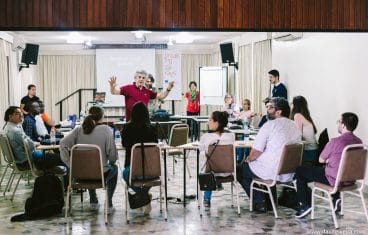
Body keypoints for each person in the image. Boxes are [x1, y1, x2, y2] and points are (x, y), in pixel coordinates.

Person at [237, 97, 301, 213]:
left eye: (270, 108)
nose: (267, 110)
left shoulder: (269, 125)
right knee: (265, 163)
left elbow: (255, 152)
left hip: (271, 171)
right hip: (289, 173)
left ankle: (259, 202)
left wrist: (248, 159)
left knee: (241, 169)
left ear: (278, 112)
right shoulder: (294, 125)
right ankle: (270, 201)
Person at [294, 112, 362, 219]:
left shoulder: (335, 141)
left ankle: (304, 205)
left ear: (343, 125)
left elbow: (321, 160)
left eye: (339, 122)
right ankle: (336, 199)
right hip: (350, 180)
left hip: (334, 180)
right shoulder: (359, 142)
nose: (338, 124)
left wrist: (329, 160)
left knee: (300, 171)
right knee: (333, 168)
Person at [60, 106, 118, 213]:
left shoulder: (78, 130)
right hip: (100, 175)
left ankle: (93, 201)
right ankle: (109, 204)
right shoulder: (106, 130)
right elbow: (113, 157)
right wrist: (111, 161)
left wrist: (70, 164)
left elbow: (62, 143)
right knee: (114, 168)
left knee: (88, 166)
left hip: (80, 174)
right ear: (102, 117)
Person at [121, 102, 158, 214]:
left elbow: (124, 144)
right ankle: (145, 197)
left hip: (132, 170)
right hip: (152, 171)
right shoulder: (152, 128)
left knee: (125, 174)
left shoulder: (127, 127)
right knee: (150, 179)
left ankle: (144, 198)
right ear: (146, 113)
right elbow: (155, 145)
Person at [3, 106, 64, 171]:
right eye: (17, 113)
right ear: (10, 116)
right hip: (28, 162)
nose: (21, 115)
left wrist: (34, 143)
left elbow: (27, 142)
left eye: (21, 113)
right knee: (63, 157)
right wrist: (36, 144)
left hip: (20, 160)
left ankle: (52, 175)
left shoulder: (7, 128)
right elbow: (30, 146)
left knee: (54, 155)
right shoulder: (15, 131)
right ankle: (67, 179)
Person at [198, 111, 235, 207]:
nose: (207, 122)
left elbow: (199, 149)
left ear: (216, 123)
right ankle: (218, 184)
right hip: (228, 172)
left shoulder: (206, 137)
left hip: (212, 173)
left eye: (210, 119)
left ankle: (206, 198)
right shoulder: (231, 136)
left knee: (207, 166)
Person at [108, 70, 174, 121]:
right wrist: (112, 87)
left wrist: (169, 89)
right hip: (130, 122)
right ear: (135, 78)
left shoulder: (147, 91)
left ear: (145, 80)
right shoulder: (128, 88)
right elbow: (114, 92)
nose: (141, 79)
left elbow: (161, 96)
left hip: (144, 122)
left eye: (143, 78)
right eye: (139, 77)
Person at [290, 96, 318, 165]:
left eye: (292, 103)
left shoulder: (297, 116)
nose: (290, 104)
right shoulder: (305, 116)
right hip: (313, 150)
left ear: (295, 105)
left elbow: (298, 136)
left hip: (308, 152)